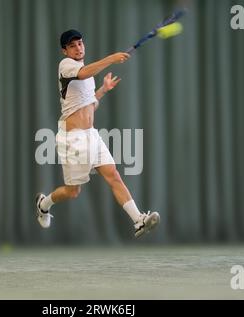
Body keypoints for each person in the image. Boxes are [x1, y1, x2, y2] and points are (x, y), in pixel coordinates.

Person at [35, 29, 160, 238]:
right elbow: (84, 73)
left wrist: (103, 90)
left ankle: (138, 220)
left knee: (114, 176)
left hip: (91, 135)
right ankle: (43, 204)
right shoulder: (66, 66)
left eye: (80, 44)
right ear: (64, 50)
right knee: (73, 191)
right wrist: (112, 58)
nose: (78, 48)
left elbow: (89, 106)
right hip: (72, 138)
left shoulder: (88, 75)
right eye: (72, 45)